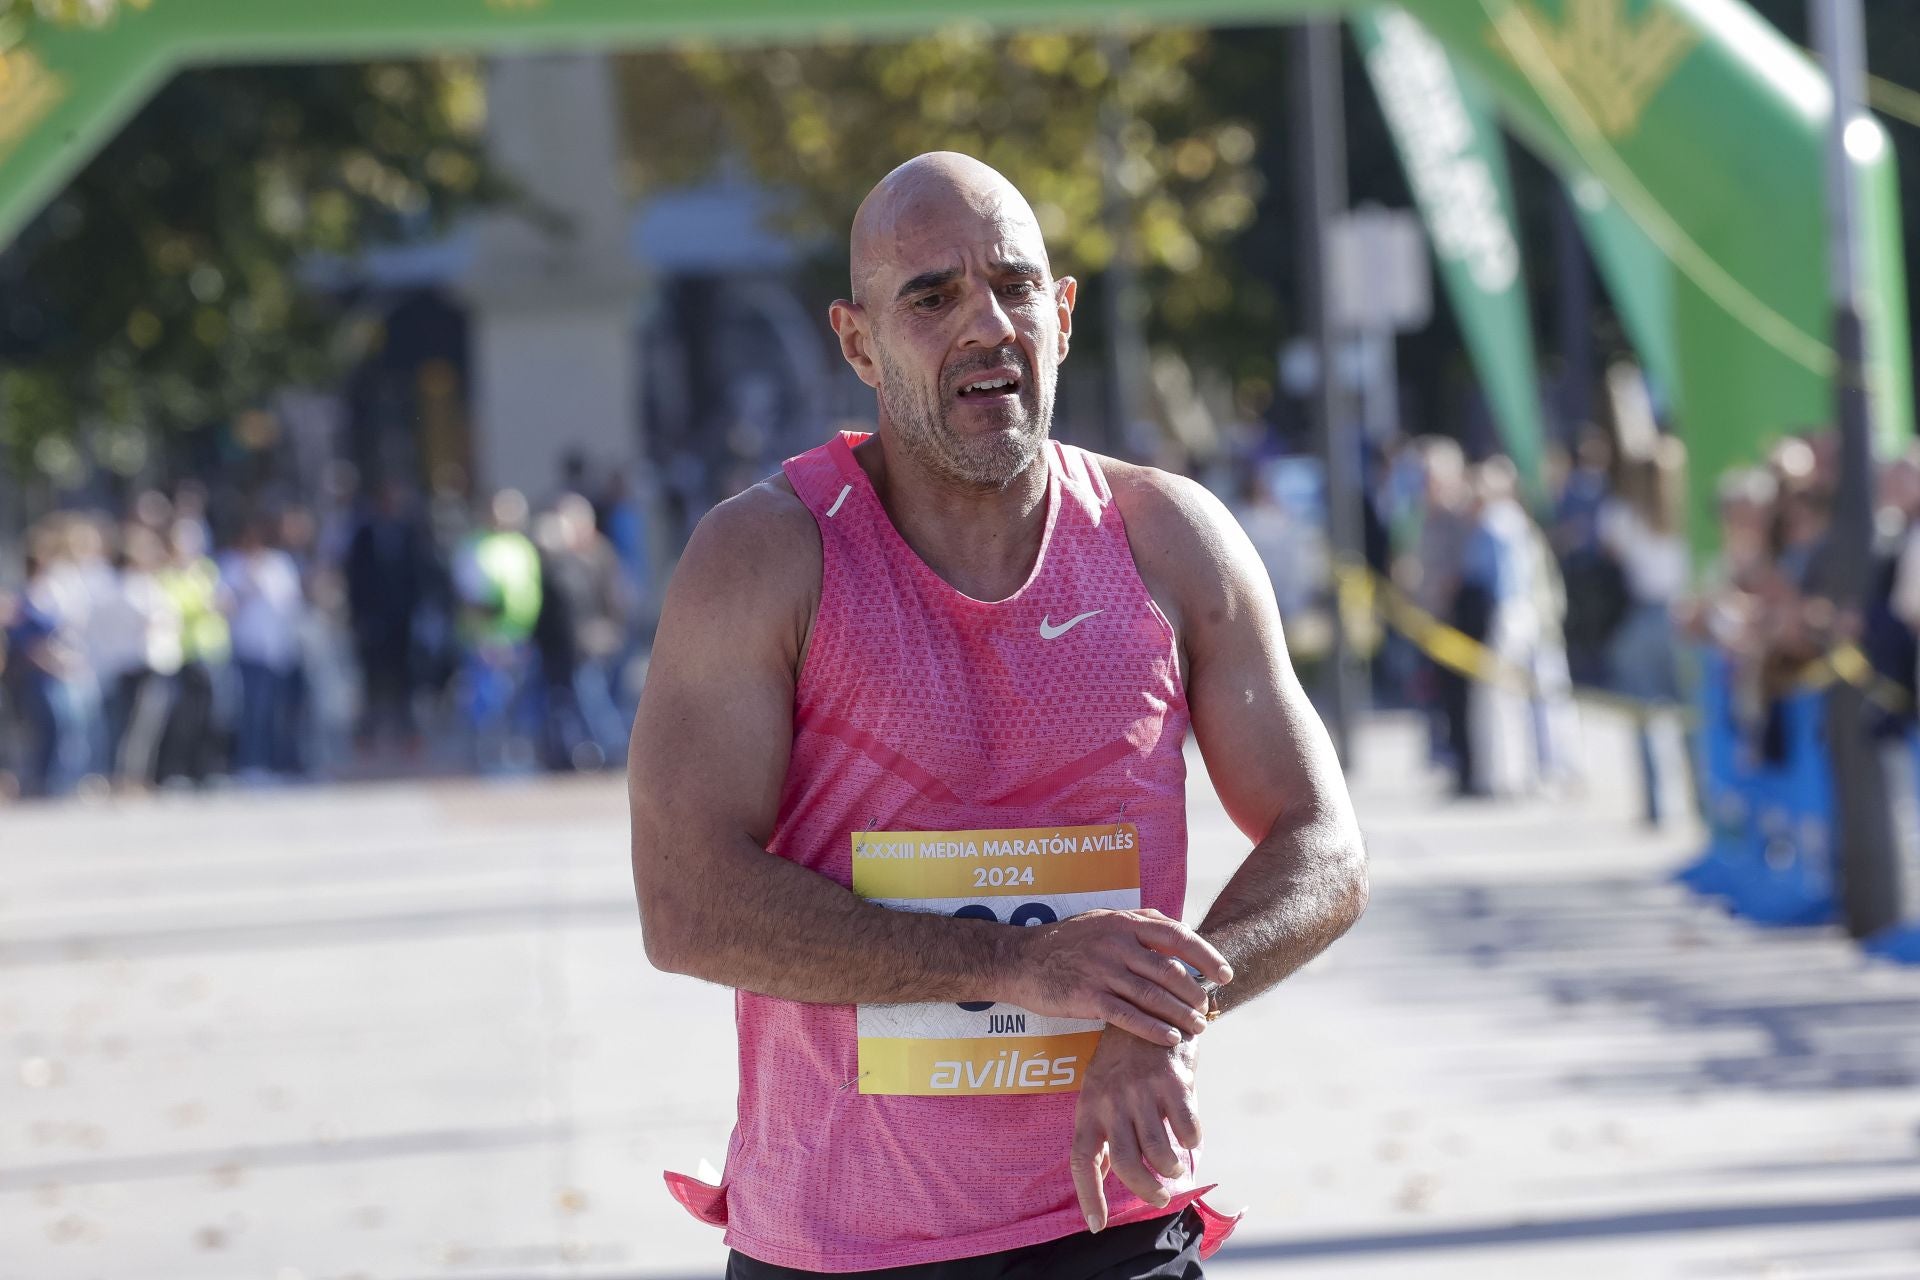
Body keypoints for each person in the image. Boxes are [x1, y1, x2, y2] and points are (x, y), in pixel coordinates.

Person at [629, 153, 1367, 1279]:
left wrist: (1161, 1009)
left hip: (1110, 1222)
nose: (986, 324)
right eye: (931, 297)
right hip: (841, 1243)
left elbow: (1325, 845)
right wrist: (1023, 965)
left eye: (1015, 286)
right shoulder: (767, 555)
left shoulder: (1169, 539)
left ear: (1062, 314)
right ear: (858, 343)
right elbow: (686, 903)